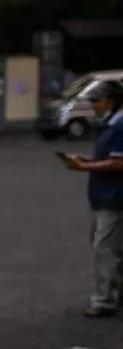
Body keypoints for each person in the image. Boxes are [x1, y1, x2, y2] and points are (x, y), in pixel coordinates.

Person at [63, 79, 123, 317]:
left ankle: (105, 300)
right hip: (103, 195)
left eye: (97, 100)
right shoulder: (111, 124)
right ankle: (115, 293)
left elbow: (119, 162)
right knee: (112, 247)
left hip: (114, 196)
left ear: (112, 100)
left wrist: (85, 167)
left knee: (104, 248)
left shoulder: (119, 126)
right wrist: (89, 161)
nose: (94, 106)